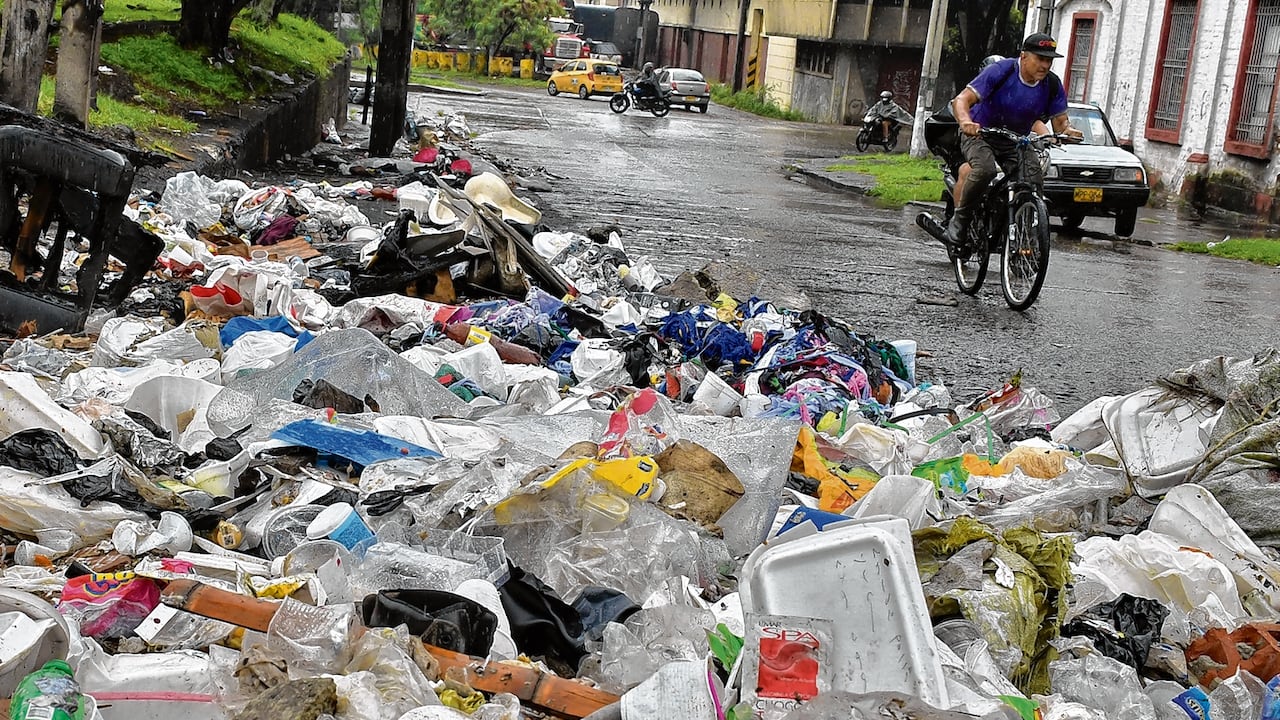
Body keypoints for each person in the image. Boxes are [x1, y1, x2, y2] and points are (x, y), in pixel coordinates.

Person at [945, 34, 1083, 247]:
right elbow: (962, 100)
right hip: (980, 134)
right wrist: (965, 122)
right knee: (985, 170)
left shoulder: (1052, 84)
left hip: (1015, 140)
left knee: (1033, 179)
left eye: (1049, 60)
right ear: (1024, 56)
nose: (1045, 65)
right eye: (1040, 59)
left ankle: (1024, 236)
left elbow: (1061, 122)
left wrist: (1068, 131)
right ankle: (960, 219)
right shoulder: (1002, 71)